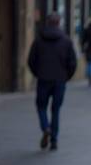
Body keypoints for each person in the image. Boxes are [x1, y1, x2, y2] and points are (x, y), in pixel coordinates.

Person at [27, 13, 77, 151]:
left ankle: (45, 127)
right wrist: (66, 76)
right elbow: (72, 62)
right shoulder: (66, 41)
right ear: (59, 23)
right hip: (59, 80)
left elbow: (31, 60)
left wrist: (38, 73)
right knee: (56, 110)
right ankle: (54, 140)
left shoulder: (38, 40)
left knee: (41, 106)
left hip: (43, 78)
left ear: (48, 22)